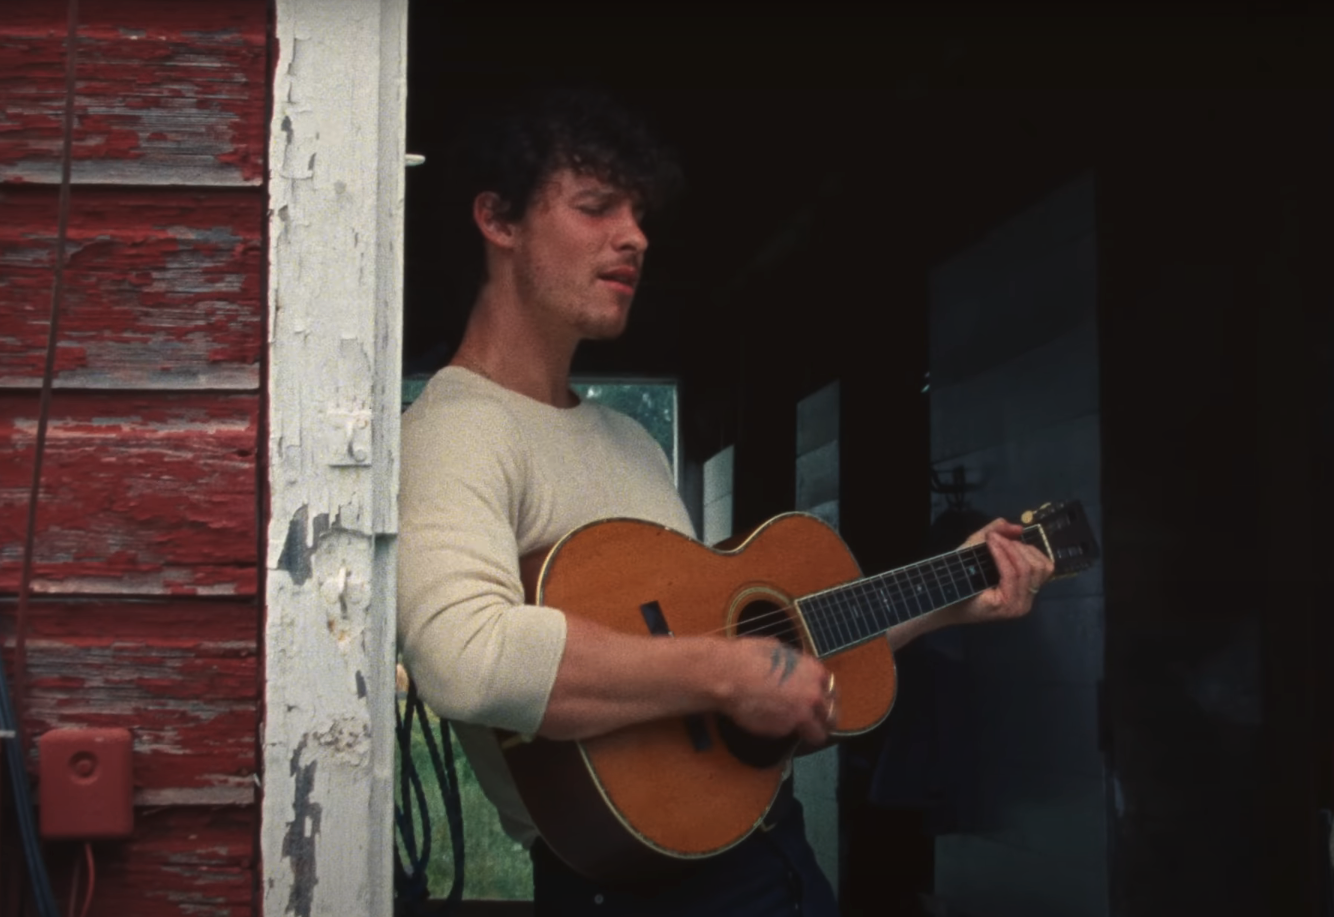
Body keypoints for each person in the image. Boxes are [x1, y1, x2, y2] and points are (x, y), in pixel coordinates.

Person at [396, 87, 1055, 916]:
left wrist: (950, 597)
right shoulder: (455, 427)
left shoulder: (627, 441)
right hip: (634, 889)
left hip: (774, 857)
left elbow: (757, 645)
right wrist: (724, 671)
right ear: (499, 220)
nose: (635, 236)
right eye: (596, 207)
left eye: (639, 214)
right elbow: (463, 655)